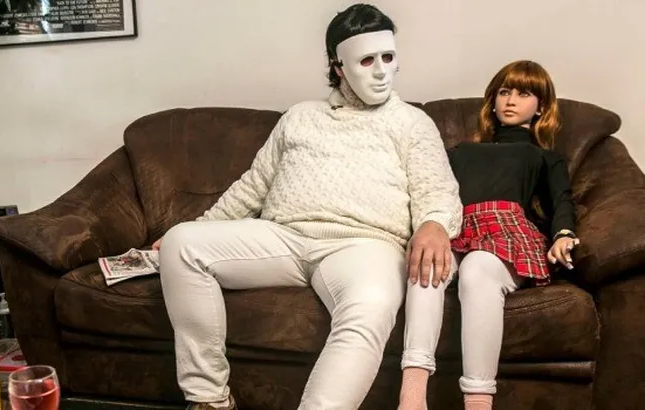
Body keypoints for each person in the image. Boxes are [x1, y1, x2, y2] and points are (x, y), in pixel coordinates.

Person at [154, 4, 462, 410]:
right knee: (181, 243)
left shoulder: (412, 122)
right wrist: (202, 226)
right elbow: (253, 186)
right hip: (282, 237)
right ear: (338, 66)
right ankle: (210, 399)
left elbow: (438, 192)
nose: (381, 71)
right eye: (366, 60)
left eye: (388, 57)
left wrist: (435, 223)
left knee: (371, 304)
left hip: (364, 246)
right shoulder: (299, 117)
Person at [397, 60, 581, 410]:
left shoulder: (543, 157)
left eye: (523, 94)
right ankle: (411, 399)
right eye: (504, 92)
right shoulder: (459, 152)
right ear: (493, 101)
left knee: (478, 267)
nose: (510, 100)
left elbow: (562, 200)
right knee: (426, 263)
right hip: (455, 227)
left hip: (506, 231)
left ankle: (478, 403)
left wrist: (563, 234)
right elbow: (429, 190)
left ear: (540, 107)